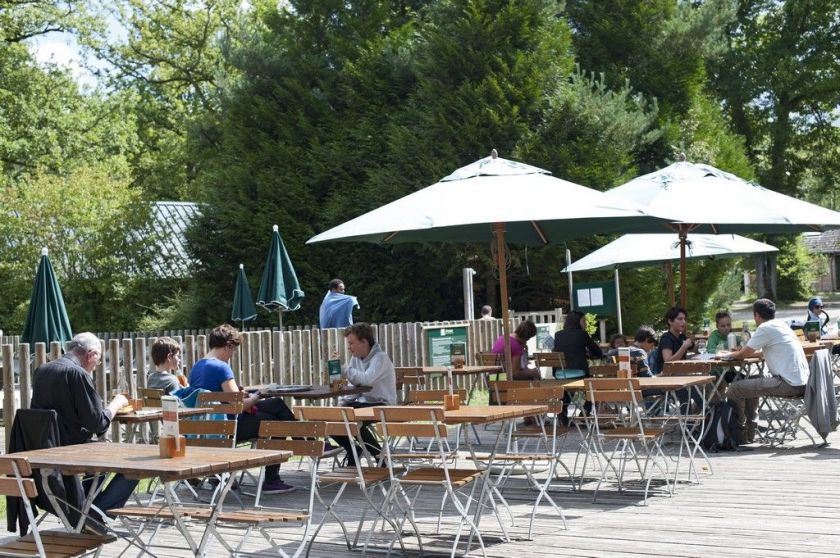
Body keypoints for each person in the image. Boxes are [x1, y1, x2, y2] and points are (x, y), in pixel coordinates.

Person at [30, 332, 138, 528]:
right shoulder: (77, 374)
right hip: (71, 453)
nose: (96, 367)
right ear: (90, 354)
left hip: (44, 452)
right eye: (97, 361)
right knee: (135, 468)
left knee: (100, 468)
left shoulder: (41, 370)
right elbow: (98, 424)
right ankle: (94, 519)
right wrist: (116, 403)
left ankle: (84, 513)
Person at [189, 324, 296, 494]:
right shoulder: (221, 367)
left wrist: (243, 395)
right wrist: (258, 396)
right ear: (229, 346)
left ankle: (217, 477)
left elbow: (222, 396)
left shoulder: (197, 366)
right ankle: (272, 479)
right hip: (228, 427)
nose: (232, 355)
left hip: (207, 428)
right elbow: (239, 406)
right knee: (275, 422)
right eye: (233, 351)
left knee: (275, 405)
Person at [723, 298, 809, 444]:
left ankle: (738, 434)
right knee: (750, 382)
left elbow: (744, 354)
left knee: (735, 389)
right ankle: (749, 433)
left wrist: (727, 356)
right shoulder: (782, 325)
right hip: (804, 382)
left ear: (756, 315)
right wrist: (742, 353)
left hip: (787, 383)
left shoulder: (765, 328)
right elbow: (763, 351)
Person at [333, 323, 397, 466]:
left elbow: (366, 380)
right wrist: (342, 403)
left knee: (354, 421)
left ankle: (380, 457)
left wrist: (344, 368)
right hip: (363, 403)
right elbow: (353, 386)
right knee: (332, 417)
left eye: (351, 343)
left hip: (383, 404)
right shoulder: (355, 359)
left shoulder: (381, 358)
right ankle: (353, 450)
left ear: (364, 342)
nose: (349, 347)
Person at [553, 311, 603, 379]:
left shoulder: (558, 335)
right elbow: (598, 353)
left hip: (559, 374)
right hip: (578, 373)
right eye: (584, 321)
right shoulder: (582, 334)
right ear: (577, 321)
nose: (586, 324)